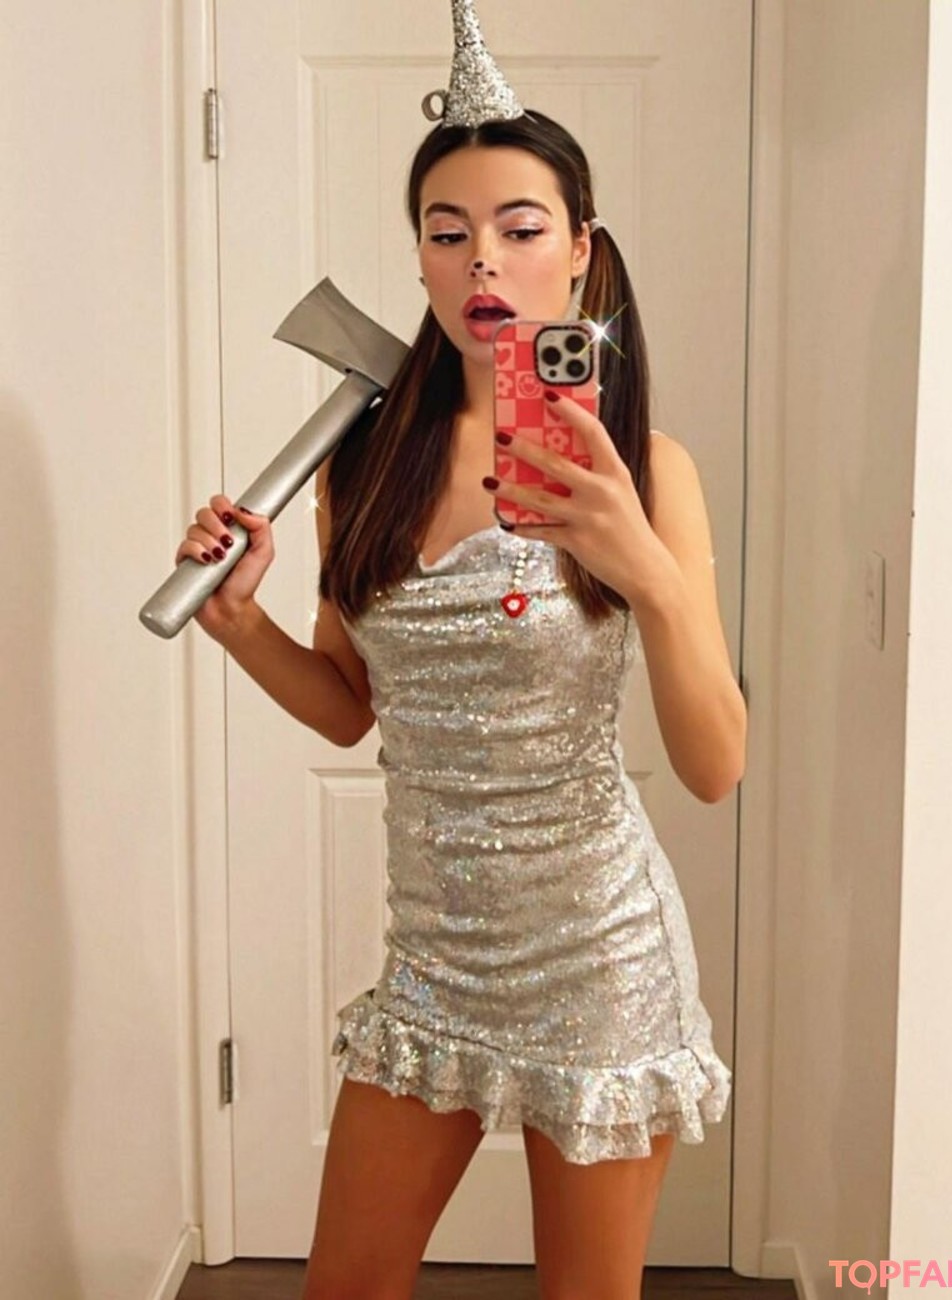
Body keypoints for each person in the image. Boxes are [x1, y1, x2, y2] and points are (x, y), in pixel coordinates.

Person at [174, 24, 746, 1300]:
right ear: (422, 255)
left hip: (600, 956)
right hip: (432, 961)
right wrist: (244, 625)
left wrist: (645, 568)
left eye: (519, 225)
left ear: (581, 248)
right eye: (447, 230)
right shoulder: (365, 461)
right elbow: (350, 710)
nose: (481, 256)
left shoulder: (648, 470)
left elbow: (716, 766)